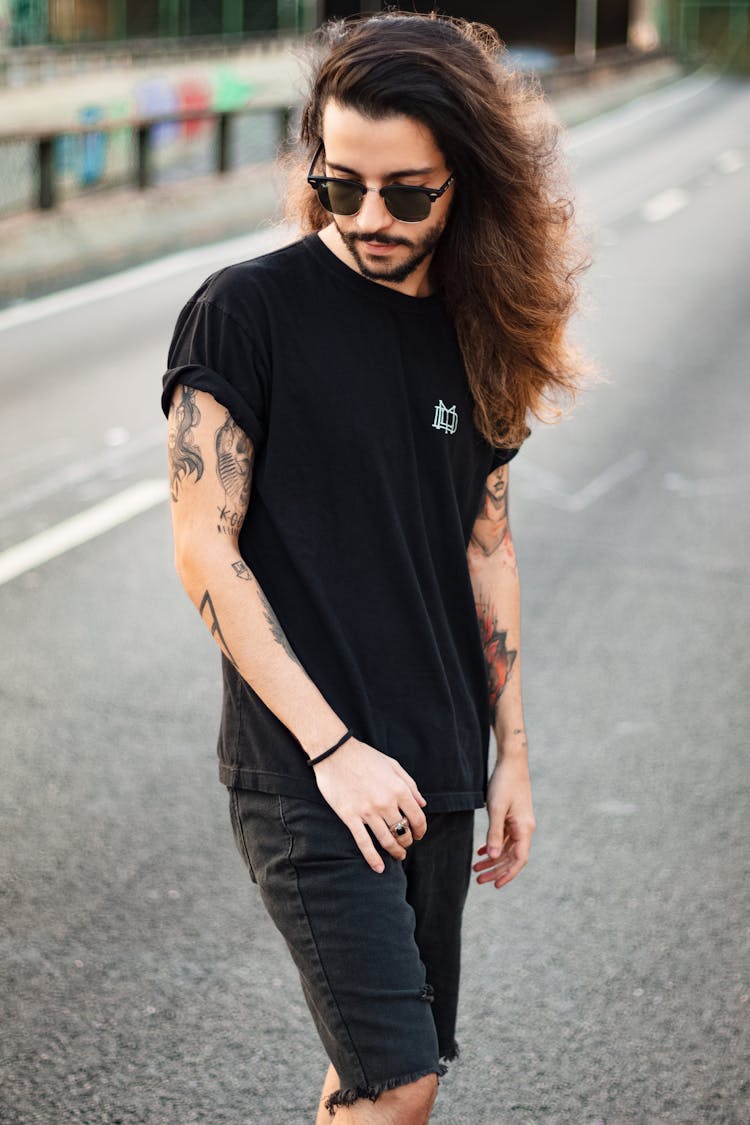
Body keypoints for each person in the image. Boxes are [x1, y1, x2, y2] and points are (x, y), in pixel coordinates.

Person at [162, 12, 585, 1122]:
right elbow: (204, 545)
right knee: (403, 1086)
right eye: (341, 185)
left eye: (409, 192)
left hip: (439, 761)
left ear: (468, 183)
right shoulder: (244, 313)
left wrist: (513, 758)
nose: (370, 217)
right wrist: (335, 749)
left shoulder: (480, 329)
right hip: (308, 768)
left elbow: (486, 548)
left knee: (374, 1079)